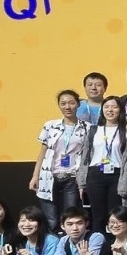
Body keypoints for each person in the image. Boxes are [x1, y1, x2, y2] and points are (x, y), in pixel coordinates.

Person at [29, 89, 87, 230]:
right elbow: (42, 153)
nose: (67, 107)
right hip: (49, 176)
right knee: (51, 221)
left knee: (70, 217)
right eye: (63, 103)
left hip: (72, 178)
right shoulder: (50, 125)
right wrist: (35, 176)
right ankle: (53, 243)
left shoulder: (87, 128)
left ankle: (69, 242)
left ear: (78, 104)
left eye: (71, 103)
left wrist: (82, 182)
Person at [80, 96, 127, 235]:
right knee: (97, 215)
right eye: (106, 107)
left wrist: (126, 183)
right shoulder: (93, 130)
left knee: (115, 215)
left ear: (120, 110)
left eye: (114, 107)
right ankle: (98, 243)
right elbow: (85, 157)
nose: (110, 110)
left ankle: (114, 243)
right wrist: (81, 183)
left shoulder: (126, 132)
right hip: (95, 175)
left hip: (116, 175)